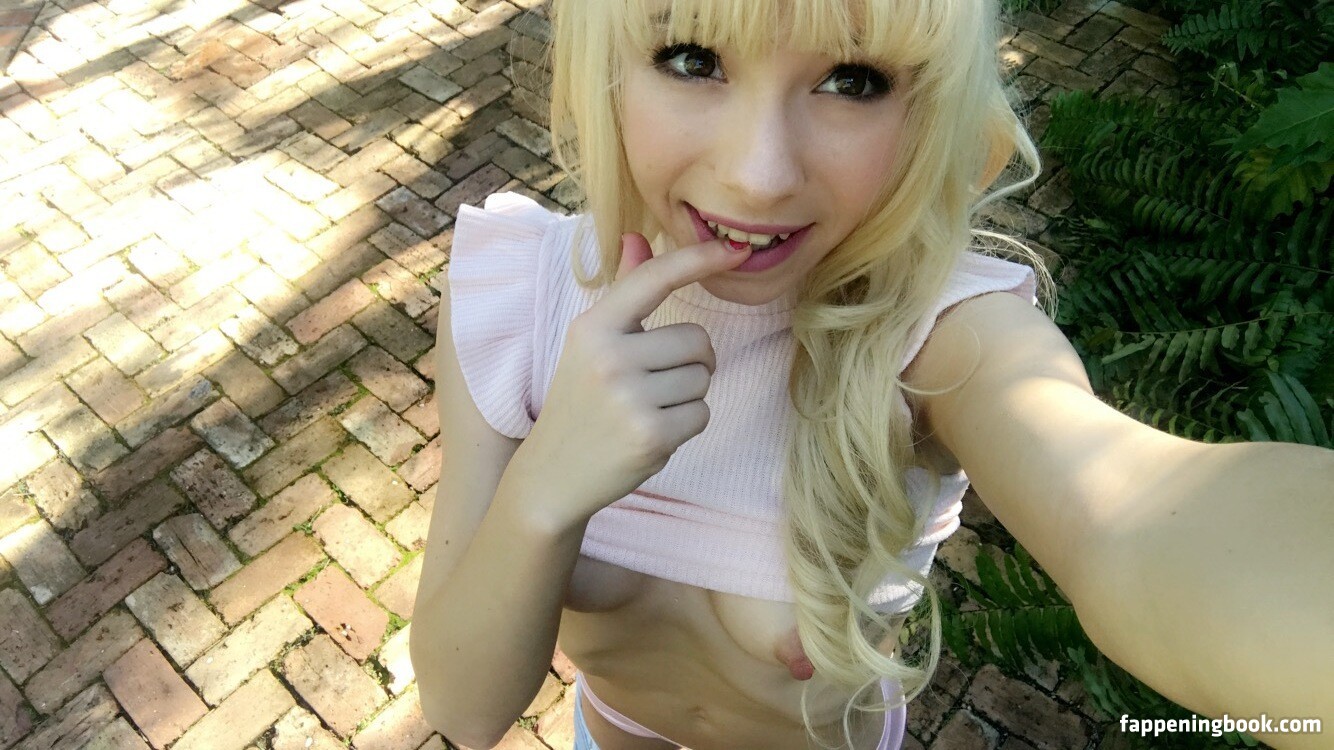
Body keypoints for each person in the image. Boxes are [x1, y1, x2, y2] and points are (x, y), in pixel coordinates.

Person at [409, 0, 1334, 748]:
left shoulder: (937, 336)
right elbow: (464, 709)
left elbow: (1134, 509)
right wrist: (543, 489)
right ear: (605, 61)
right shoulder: (518, 297)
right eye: (692, 58)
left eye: (853, 80)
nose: (760, 174)